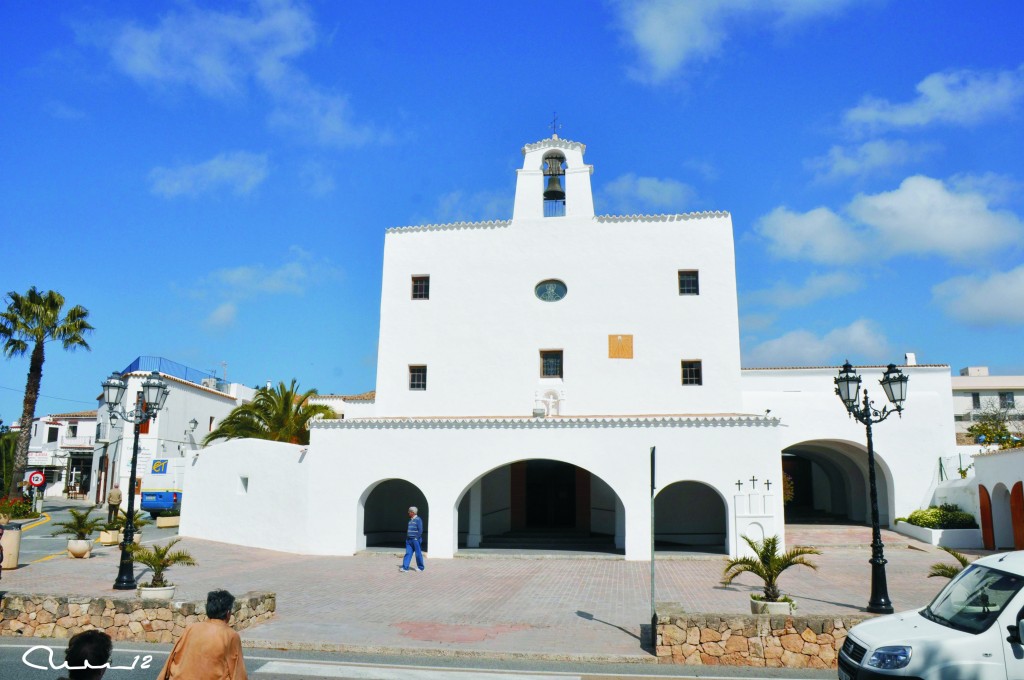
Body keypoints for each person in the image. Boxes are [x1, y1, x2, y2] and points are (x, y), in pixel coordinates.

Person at [156, 589, 247, 680]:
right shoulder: (231, 635)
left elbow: (173, 657)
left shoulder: (191, 628)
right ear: (228, 613)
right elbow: (238, 672)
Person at [399, 505, 425, 572]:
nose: (408, 513)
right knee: (408, 553)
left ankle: (420, 567)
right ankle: (405, 568)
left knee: (418, 554)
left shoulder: (418, 520)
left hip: (415, 540)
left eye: (409, 512)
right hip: (409, 540)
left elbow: (420, 530)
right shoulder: (410, 521)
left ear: (413, 512)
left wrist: (416, 538)